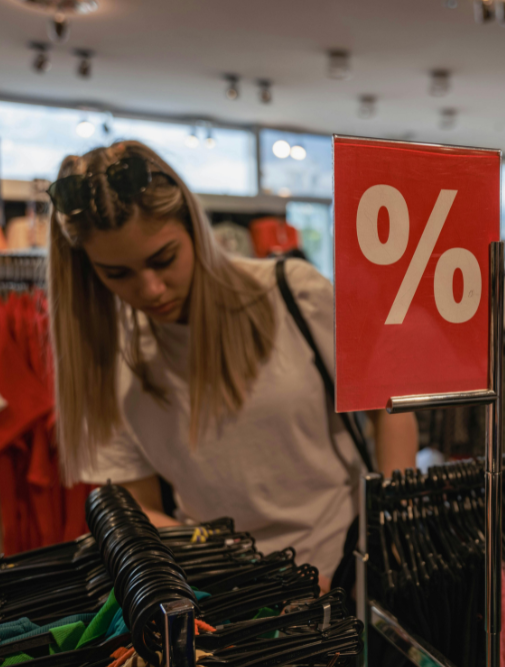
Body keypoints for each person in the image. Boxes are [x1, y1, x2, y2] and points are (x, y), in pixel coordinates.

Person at [47, 141, 418, 586]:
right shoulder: (111, 361)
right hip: (224, 592)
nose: (150, 289)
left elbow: (390, 408)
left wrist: (392, 526)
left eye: (164, 259)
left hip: (350, 567)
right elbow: (141, 507)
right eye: (117, 274)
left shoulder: (294, 295)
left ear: (195, 231)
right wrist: (244, 576)